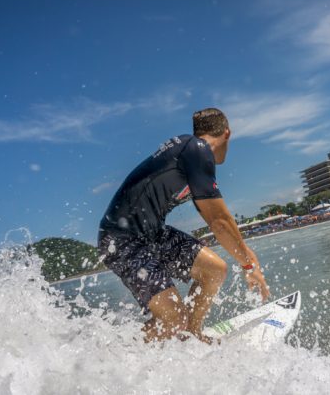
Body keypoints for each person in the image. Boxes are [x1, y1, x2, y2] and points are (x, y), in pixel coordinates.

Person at [97, 108, 270, 343]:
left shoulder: (189, 154)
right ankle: (113, 358)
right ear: (227, 133)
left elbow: (218, 218)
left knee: (214, 270)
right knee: (173, 320)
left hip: (151, 233)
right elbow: (219, 222)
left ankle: (192, 334)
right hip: (121, 239)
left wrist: (248, 259)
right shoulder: (197, 150)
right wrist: (249, 266)